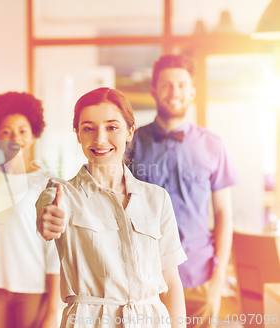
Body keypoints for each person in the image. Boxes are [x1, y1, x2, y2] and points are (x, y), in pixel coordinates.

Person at [37, 87, 187, 328]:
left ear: (129, 131)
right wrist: (48, 220)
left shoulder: (157, 199)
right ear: (77, 134)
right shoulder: (62, 194)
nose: (100, 139)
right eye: (88, 128)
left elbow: (171, 281)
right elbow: (47, 213)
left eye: (111, 127)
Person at [128, 54, 240, 328]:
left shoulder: (213, 146)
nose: (174, 92)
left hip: (198, 277)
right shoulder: (130, 144)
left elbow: (224, 216)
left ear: (192, 91)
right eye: (166, 85)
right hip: (144, 280)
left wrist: (217, 283)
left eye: (181, 85)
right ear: (153, 90)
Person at [0, 92, 61, 328]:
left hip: (33, 289)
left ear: (34, 135)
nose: (15, 137)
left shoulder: (49, 182)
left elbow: (56, 253)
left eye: (22, 130)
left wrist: (53, 312)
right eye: (6, 131)